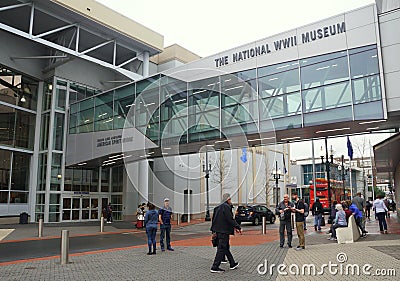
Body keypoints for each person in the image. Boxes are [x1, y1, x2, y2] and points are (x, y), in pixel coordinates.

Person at [210, 193, 241, 273]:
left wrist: (213, 230)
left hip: (218, 230)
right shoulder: (226, 207)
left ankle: (232, 263)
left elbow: (213, 219)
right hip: (224, 231)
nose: (231, 201)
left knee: (226, 247)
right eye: (230, 199)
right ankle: (215, 267)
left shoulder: (217, 207)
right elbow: (230, 219)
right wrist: (238, 227)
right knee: (221, 249)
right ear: (228, 199)